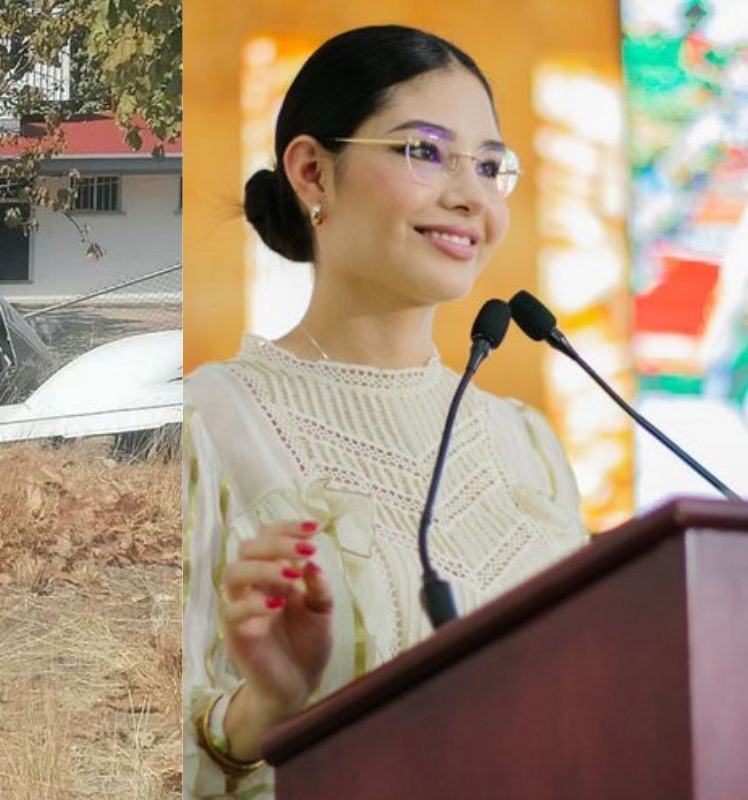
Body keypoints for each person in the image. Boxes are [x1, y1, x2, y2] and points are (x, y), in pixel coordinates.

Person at [182, 25, 591, 799]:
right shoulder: (208, 425)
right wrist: (267, 705)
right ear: (312, 173)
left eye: (490, 165)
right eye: (424, 152)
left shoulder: (529, 445)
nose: (472, 196)